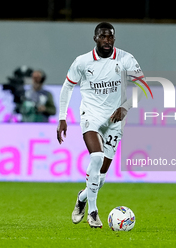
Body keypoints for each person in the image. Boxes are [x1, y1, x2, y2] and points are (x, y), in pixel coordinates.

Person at [57, 22, 144, 228]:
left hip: (115, 120)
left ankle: (82, 198)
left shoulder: (125, 59)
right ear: (95, 38)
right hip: (91, 116)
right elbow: (67, 87)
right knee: (95, 157)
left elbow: (142, 85)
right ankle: (93, 212)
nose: (107, 40)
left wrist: (126, 107)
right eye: (103, 37)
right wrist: (62, 117)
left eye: (111, 37)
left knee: (101, 177)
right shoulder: (82, 62)